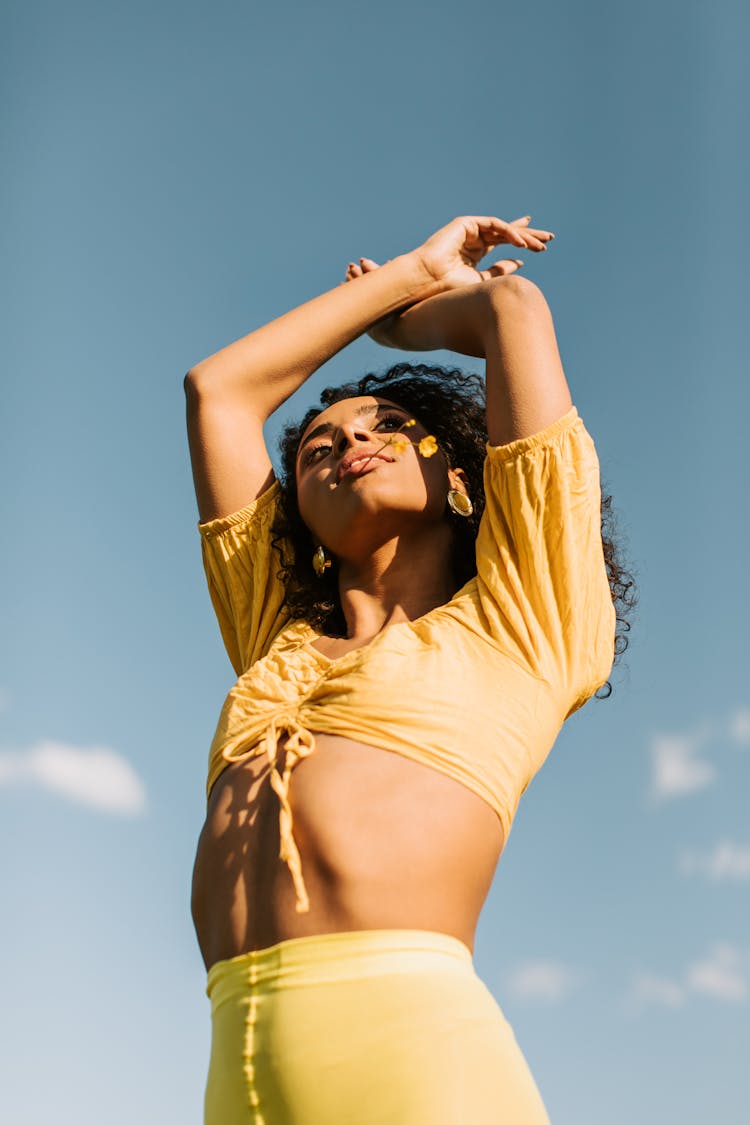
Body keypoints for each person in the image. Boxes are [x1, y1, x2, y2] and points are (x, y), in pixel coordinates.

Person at [185, 215, 634, 1124]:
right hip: (239, 1055)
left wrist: (412, 310)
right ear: (297, 521)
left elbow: (513, 305)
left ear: (462, 479)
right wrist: (388, 282)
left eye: (392, 424)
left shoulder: (520, 618)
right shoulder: (276, 637)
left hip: (415, 1053)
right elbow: (220, 391)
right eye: (318, 445)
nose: (351, 439)